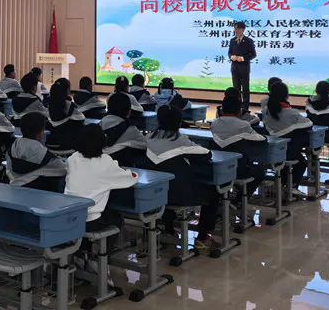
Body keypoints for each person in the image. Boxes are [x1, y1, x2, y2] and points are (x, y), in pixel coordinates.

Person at [145, 106, 219, 248]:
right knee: (213, 193)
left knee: (167, 183)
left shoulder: (148, 138)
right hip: (178, 194)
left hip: (155, 194)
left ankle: (169, 229)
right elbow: (206, 154)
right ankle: (203, 237)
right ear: (179, 123)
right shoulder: (181, 141)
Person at [65, 124, 138, 249]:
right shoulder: (106, 161)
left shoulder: (72, 158)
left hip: (69, 217)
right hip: (91, 221)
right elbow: (131, 178)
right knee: (116, 218)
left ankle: (83, 250)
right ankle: (104, 253)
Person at [211, 96, 266, 200]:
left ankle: (228, 198)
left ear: (222, 110)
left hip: (220, 168)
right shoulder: (243, 125)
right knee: (259, 173)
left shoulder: (214, 124)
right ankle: (239, 200)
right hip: (238, 169)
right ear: (239, 111)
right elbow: (261, 140)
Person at [262, 81, 312, 193]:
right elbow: (309, 124)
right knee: (302, 163)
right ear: (286, 95)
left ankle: (282, 186)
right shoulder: (291, 112)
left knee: (283, 163)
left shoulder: (266, 111)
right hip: (288, 150)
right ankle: (292, 187)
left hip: (271, 150)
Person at [6, 112, 67, 192]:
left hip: (13, 189)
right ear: (41, 133)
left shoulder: (12, 148)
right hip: (39, 193)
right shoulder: (44, 155)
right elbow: (63, 169)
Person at [101, 92, 147, 167]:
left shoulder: (98, 125)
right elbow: (146, 145)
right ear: (129, 112)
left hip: (96, 164)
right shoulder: (130, 128)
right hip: (118, 167)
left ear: (108, 108)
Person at [46, 80, 84, 152]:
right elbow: (82, 119)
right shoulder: (70, 105)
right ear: (67, 90)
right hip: (67, 144)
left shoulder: (50, 105)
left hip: (50, 143)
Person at [229, 21, 256, 112]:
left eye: (238, 29)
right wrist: (231, 57)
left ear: (243, 29)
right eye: (235, 29)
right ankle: (237, 107)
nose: (236, 30)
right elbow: (229, 52)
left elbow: (253, 54)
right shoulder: (232, 40)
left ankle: (245, 108)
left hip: (244, 69)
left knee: (245, 89)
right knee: (236, 89)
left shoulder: (249, 41)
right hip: (234, 68)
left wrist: (243, 58)